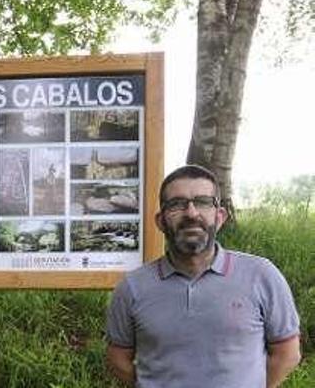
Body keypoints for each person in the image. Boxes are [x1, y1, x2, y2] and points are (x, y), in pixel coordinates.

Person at [105, 165, 301, 387]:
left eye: (203, 202)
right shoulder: (132, 287)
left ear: (220, 217)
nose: (191, 213)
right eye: (177, 204)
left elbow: (287, 353)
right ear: (160, 221)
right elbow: (118, 358)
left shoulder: (261, 276)